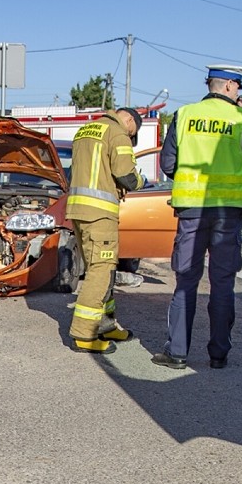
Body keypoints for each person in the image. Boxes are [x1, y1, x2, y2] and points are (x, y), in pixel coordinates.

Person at [153, 64, 242, 370]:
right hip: (229, 212)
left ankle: (177, 352)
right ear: (231, 87)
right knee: (222, 284)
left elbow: (168, 163)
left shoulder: (185, 115)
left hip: (192, 211)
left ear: (212, 85)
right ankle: (218, 355)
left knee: (185, 283)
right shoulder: (240, 118)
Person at [66, 108, 146, 354]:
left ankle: (106, 324)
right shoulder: (117, 133)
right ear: (130, 121)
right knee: (101, 271)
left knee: (100, 270)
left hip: (79, 210)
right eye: (133, 133)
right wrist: (141, 181)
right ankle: (84, 334)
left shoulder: (85, 130)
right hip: (100, 213)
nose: (130, 137)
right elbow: (126, 176)